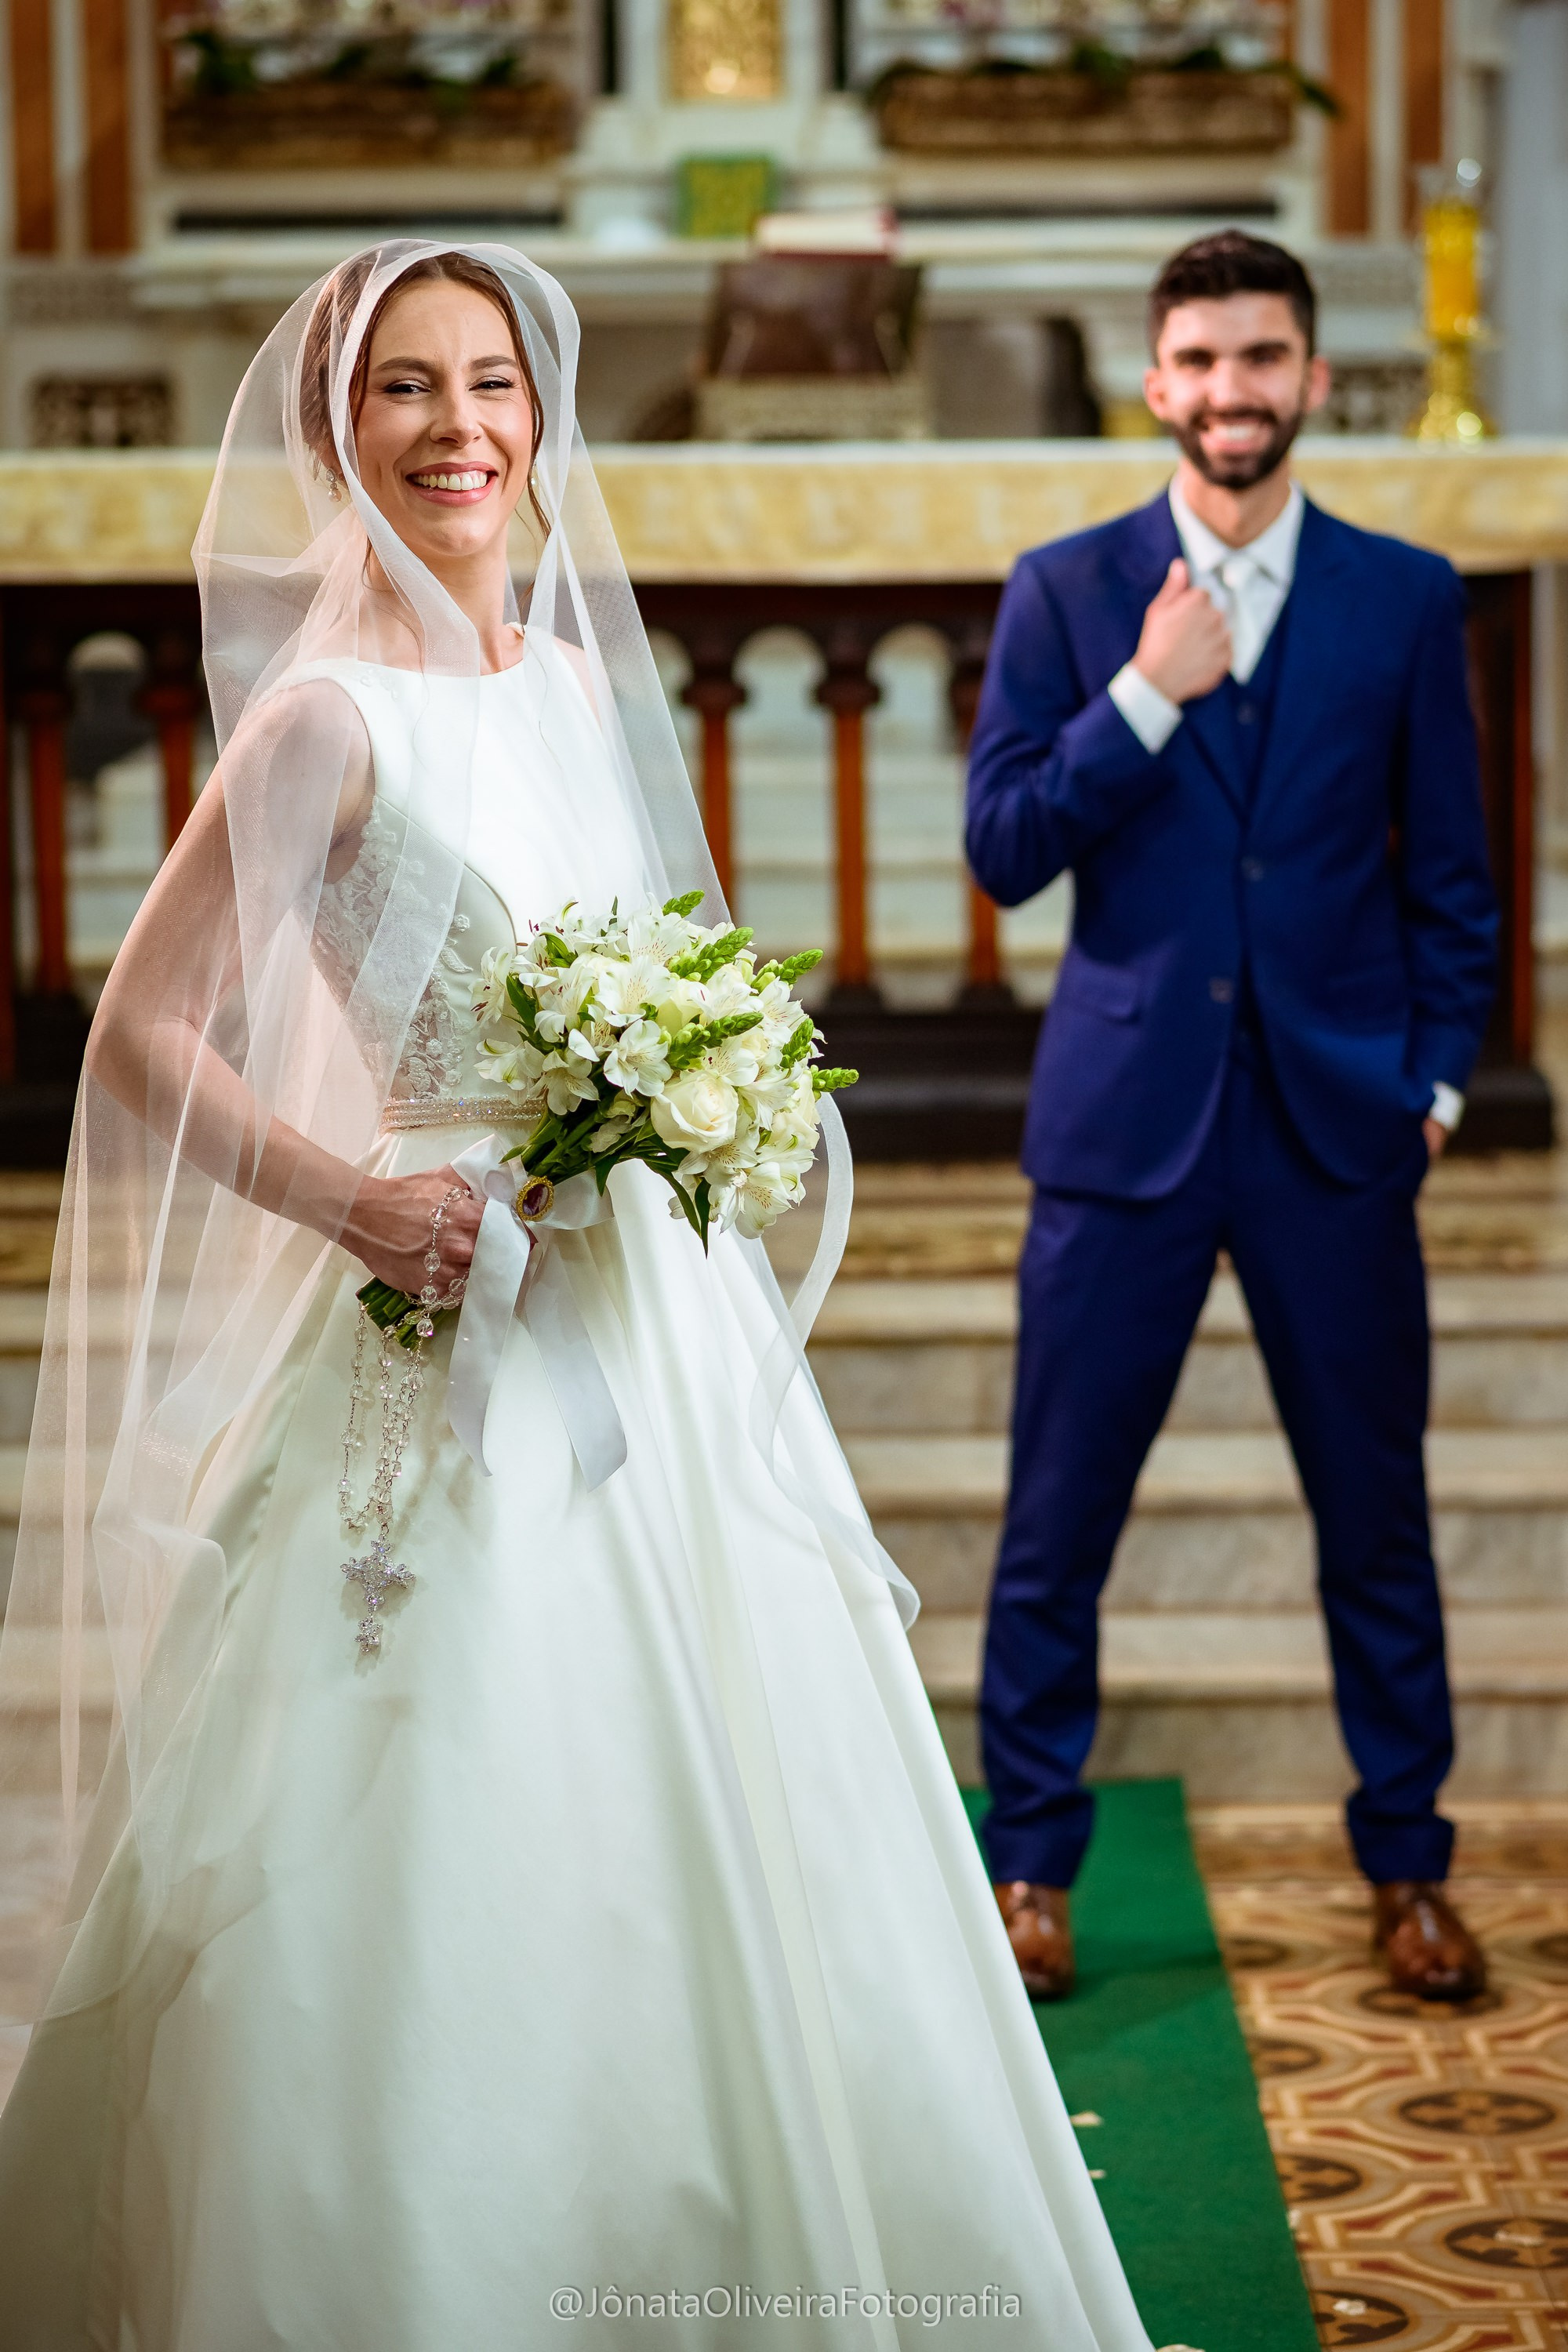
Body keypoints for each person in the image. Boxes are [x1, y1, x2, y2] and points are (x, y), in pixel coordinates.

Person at [0, 243, 1155, 2350]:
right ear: (340, 439)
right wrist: (355, 1201)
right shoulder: (321, 720)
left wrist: (694, 1108)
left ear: (545, 417)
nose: (459, 432)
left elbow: (638, 978)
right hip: (446, 1336)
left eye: (492, 387)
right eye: (405, 394)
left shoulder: (556, 680)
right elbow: (137, 1037)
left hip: (650, 1335)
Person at [966, 231, 1497, 2008]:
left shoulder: (1407, 598)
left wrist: (1428, 1085)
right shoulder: (1064, 591)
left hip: (1338, 1135)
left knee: (1376, 1520)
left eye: (1260, 358)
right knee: (1057, 1517)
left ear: (1312, 380)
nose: (1229, 392)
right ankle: (1028, 1869)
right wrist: (1141, 692)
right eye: (1197, 361)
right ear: (1154, 382)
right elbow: (1004, 849)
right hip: (1123, 1130)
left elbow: (1455, 885)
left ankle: (1409, 1870)